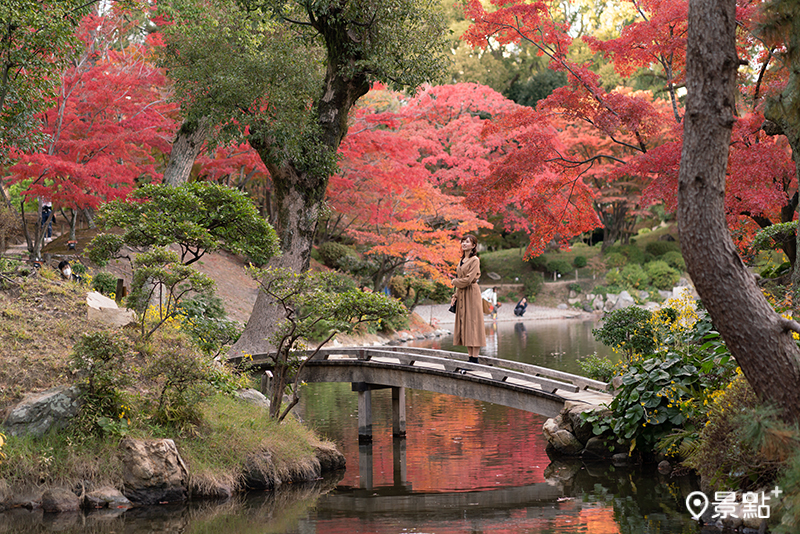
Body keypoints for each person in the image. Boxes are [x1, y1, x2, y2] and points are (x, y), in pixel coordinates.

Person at [451, 234, 485, 363]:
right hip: (462, 294)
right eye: (463, 241)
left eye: (467, 242)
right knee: (465, 324)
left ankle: (474, 360)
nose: (464, 244)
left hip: (472, 293)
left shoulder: (475, 259)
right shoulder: (461, 260)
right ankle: (470, 358)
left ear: (474, 245)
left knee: (473, 324)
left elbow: (469, 280)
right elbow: (461, 280)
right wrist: (455, 296)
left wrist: (454, 281)